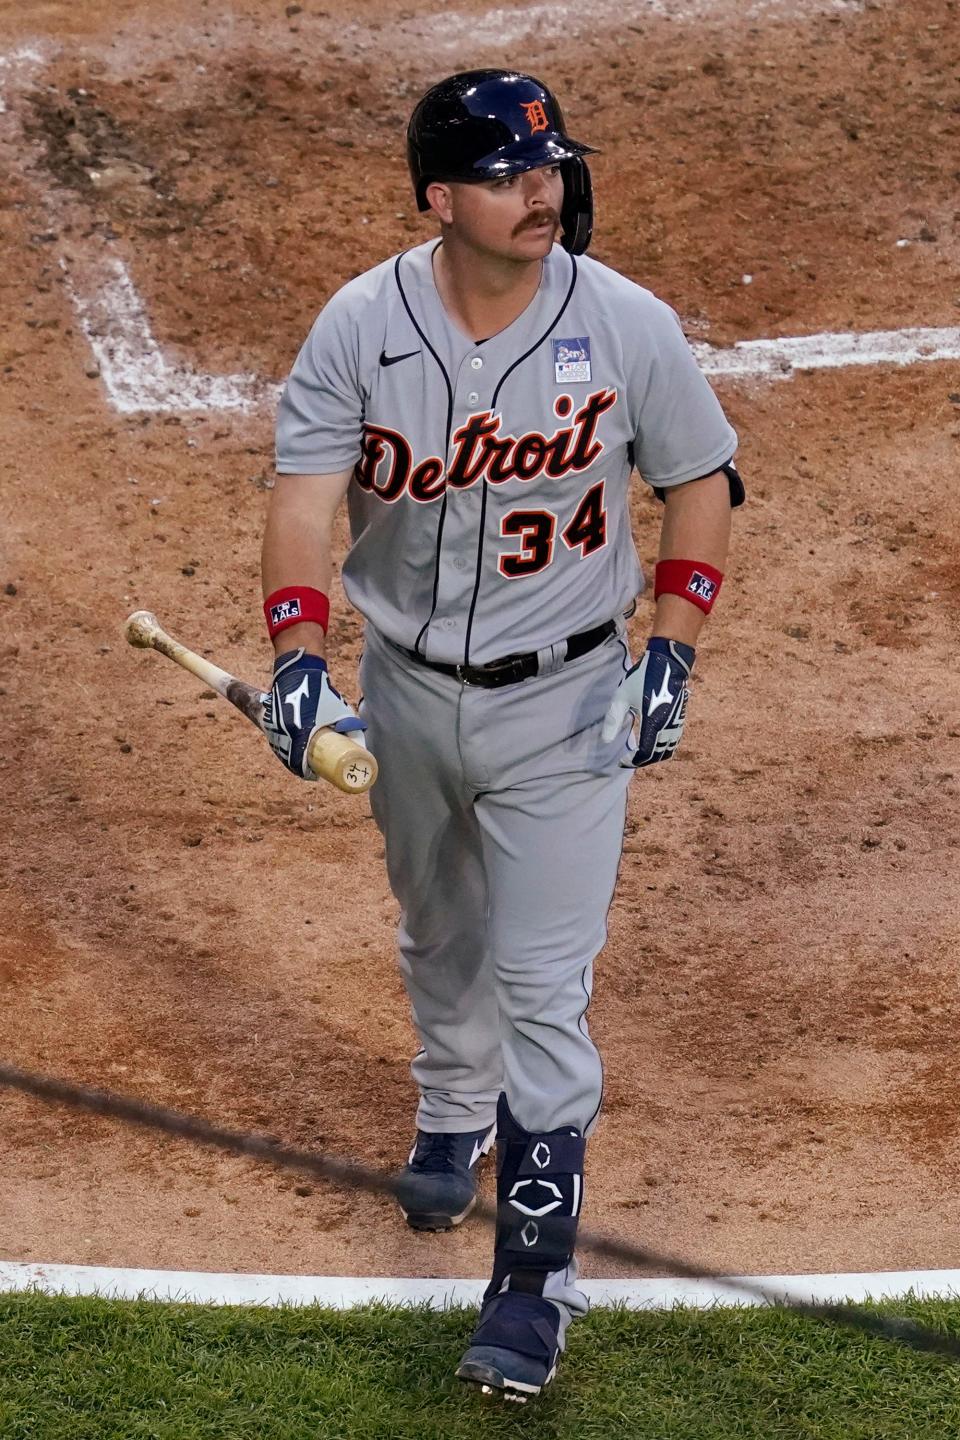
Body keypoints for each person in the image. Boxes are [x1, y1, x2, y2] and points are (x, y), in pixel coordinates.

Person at [261, 69, 742, 1403]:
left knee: (543, 986)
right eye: (506, 173)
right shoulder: (363, 325)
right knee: (439, 924)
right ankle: (450, 1106)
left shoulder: (624, 323)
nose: (543, 191)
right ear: (437, 197)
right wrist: (301, 657)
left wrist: (671, 651)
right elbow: (304, 503)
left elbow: (702, 482)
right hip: (409, 687)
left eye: (550, 168)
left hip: (569, 701)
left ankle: (533, 1282)